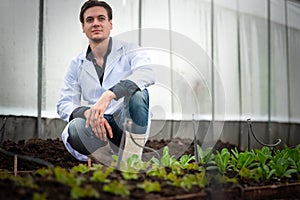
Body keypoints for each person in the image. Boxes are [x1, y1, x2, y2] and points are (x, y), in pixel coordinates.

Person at [56, 0, 155, 165]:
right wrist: (86, 113)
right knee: (74, 128)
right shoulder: (76, 63)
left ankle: (130, 161)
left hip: (125, 125)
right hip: (96, 129)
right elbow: (64, 103)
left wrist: (110, 94)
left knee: (138, 93)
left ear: (110, 24)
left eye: (101, 18)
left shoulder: (130, 51)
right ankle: (107, 162)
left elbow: (147, 73)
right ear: (83, 27)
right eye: (89, 20)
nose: (95, 23)